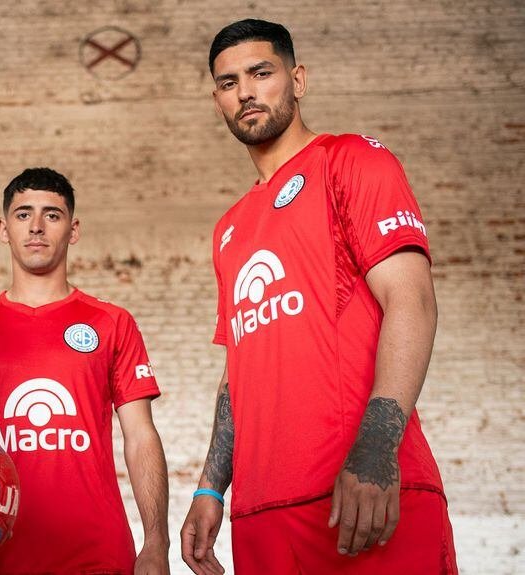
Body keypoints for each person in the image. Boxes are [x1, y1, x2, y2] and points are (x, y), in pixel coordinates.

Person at [179, 19, 457, 575]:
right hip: (261, 515)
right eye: (229, 83)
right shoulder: (229, 228)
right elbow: (238, 372)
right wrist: (210, 489)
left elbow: (413, 301)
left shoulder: (351, 159)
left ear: (298, 80)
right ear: (218, 101)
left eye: (261, 73)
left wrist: (377, 449)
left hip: (361, 495)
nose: (246, 92)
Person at [0, 167, 171, 574]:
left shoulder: (112, 322)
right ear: (4, 229)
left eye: (52, 215)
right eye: (23, 214)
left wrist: (156, 541)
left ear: (73, 231)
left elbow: (140, 436)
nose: (37, 226)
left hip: (98, 556)